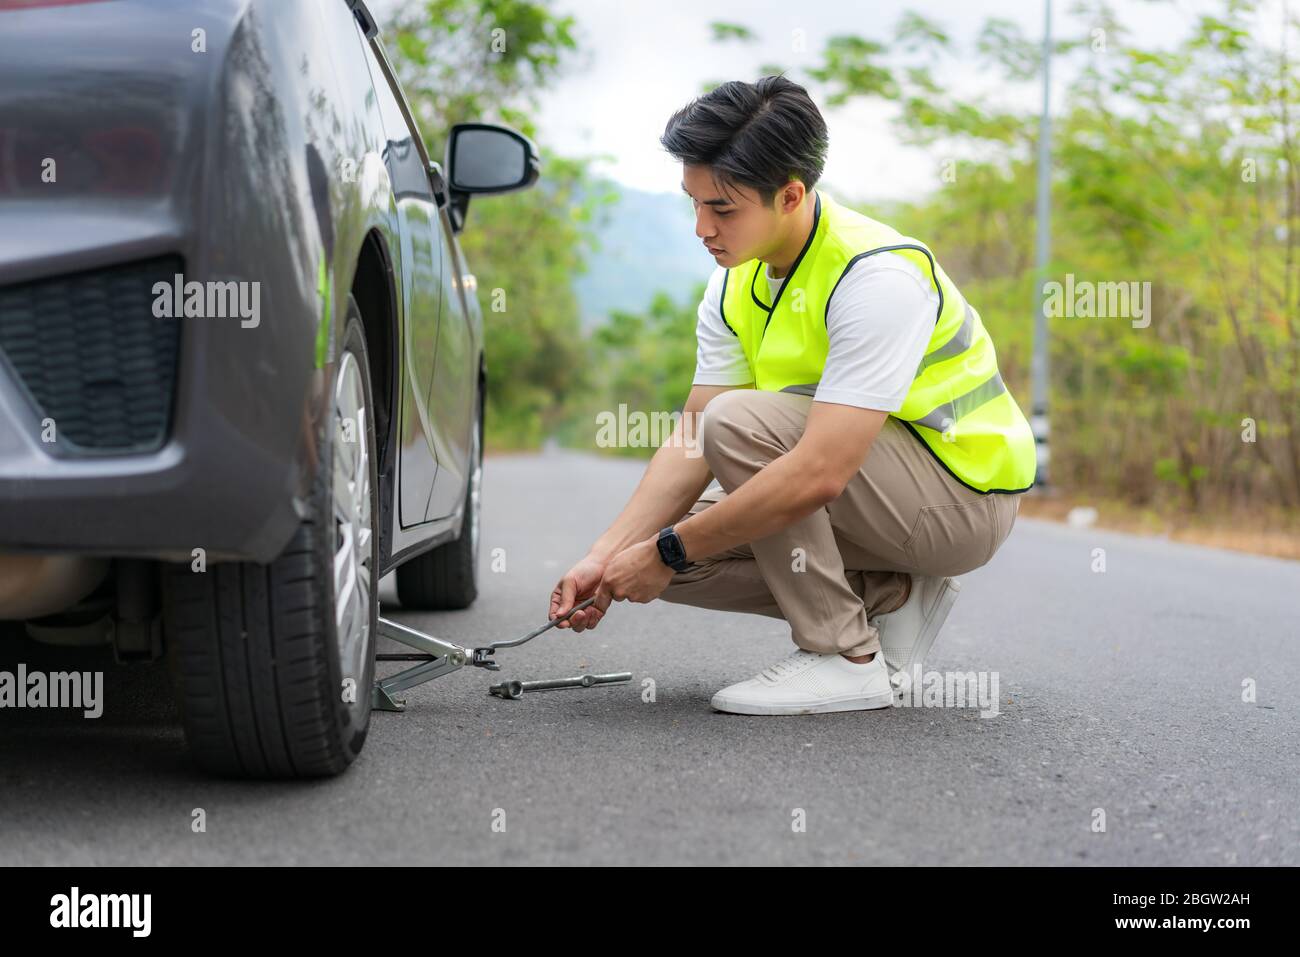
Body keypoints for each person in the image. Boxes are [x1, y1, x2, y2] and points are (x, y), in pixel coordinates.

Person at [549, 75, 1036, 715]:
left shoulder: (876, 275)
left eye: (722, 209)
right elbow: (691, 437)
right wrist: (605, 558)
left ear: (790, 194)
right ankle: (891, 594)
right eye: (692, 203)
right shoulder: (732, 285)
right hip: (876, 496)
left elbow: (818, 473)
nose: (701, 227)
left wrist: (665, 549)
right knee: (661, 559)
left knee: (718, 461)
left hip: (959, 500)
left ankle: (844, 656)